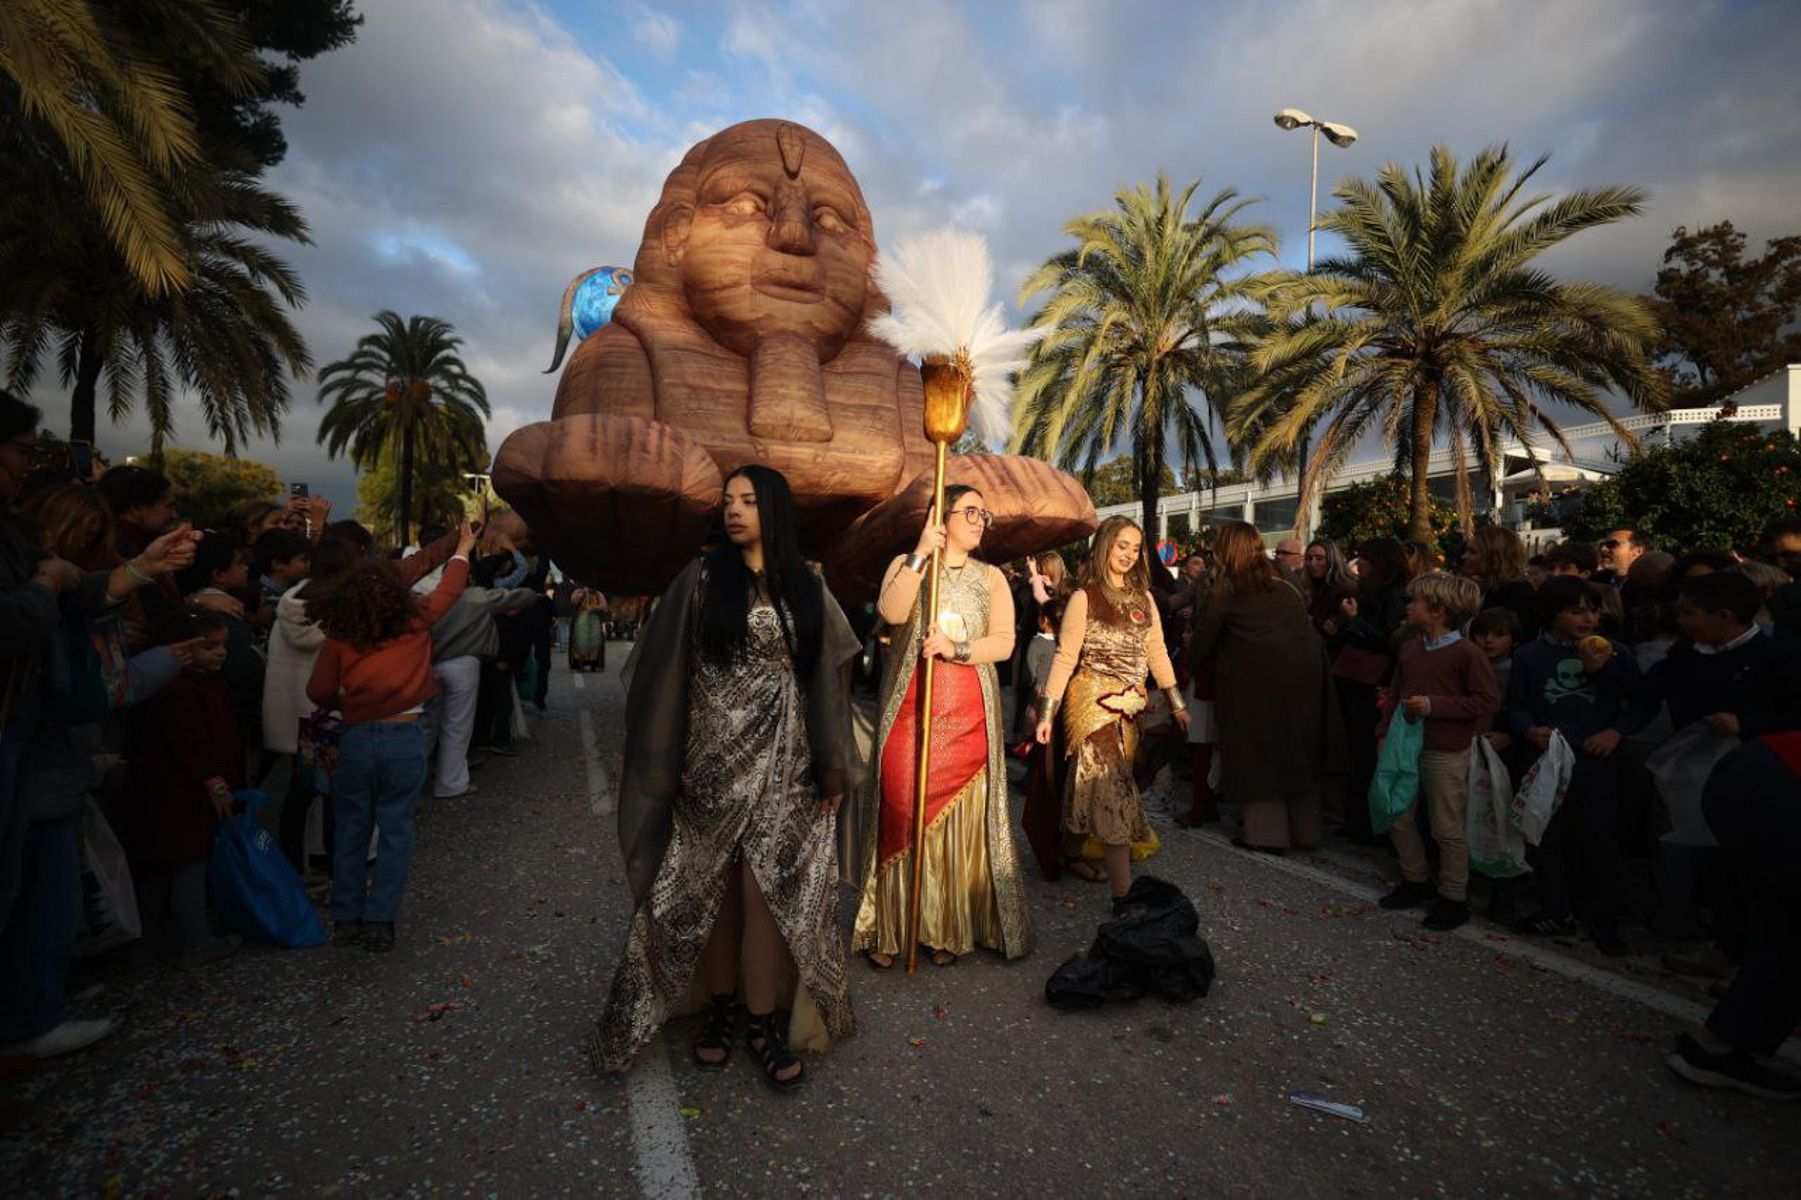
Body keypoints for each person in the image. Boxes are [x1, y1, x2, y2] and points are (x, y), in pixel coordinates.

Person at [593, 465, 859, 1088]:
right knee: (706, 891)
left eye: (748, 500)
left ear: (775, 510)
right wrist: (669, 760)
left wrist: (832, 765)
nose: (733, 510)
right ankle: (719, 1011)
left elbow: (827, 685)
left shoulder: (807, 586)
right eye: (728, 501)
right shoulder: (701, 580)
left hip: (789, 767)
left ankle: (760, 1023)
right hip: (711, 765)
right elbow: (665, 678)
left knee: (766, 896)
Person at [854, 484, 1030, 968]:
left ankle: (942, 928)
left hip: (969, 716)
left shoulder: (991, 577)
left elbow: (1004, 643)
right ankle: (889, 927)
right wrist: (919, 554)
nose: (980, 521)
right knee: (900, 806)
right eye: (970, 511)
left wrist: (957, 649)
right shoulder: (907, 564)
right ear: (941, 515)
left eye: (984, 514)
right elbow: (890, 614)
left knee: (955, 822)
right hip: (909, 711)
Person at [304, 521, 477, 951]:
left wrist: (354, 704)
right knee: (395, 829)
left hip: (357, 738)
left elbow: (319, 692)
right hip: (405, 737)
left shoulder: (340, 635)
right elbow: (450, 589)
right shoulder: (416, 622)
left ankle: (346, 916)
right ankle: (381, 920)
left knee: (351, 828)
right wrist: (464, 548)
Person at [1037, 516, 1188, 907]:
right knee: (1112, 789)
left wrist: (1177, 703)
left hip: (1132, 708)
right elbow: (1065, 657)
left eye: (1135, 548)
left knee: (1093, 785)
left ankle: (1070, 852)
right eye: (1122, 545)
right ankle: (1125, 900)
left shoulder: (1145, 599)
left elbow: (1157, 653)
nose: (1128, 554)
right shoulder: (1083, 598)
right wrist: (1045, 714)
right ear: (1105, 545)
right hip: (1089, 704)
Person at [1504, 577, 1650, 955]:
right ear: (1552, 614)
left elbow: (1640, 704)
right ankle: (1557, 909)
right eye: (1576, 611)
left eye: (1593, 609)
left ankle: (1604, 919)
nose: (1588, 619)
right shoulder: (1529, 656)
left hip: (1595, 763)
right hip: (1547, 762)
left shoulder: (1615, 653)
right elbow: (1517, 704)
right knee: (1548, 838)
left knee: (1599, 839)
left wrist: (1614, 733)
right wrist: (1529, 729)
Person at [1190, 521, 1343, 853]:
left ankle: (1267, 836)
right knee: (1298, 750)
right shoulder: (1281, 573)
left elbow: (1203, 640)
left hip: (1257, 680)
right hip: (1307, 673)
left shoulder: (1229, 586)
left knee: (1258, 754)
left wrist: (1182, 667)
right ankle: (1306, 832)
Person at [1664, 734, 1801, 1101]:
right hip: (1776, 786)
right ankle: (1716, 1046)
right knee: (1788, 936)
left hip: (1748, 768)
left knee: (1779, 925)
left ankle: (1733, 1024)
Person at [118, 607, 244, 966]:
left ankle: (146, 941)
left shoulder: (179, 684)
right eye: (210, 646)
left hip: (160, 790)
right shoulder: (179, 689)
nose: (220, 652)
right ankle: (196, 940)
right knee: (189, 862)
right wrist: (216, 784)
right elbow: (194, 743)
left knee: (159, 865)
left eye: (222, 645)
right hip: (181, 792)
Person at [1376, 573, 1500, 931]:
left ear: (1438, 609)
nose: (1409, 606)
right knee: (1397, 815)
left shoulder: (1467, 653)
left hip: (1445, 750)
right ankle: (1415, 879)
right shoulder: (1410, 648)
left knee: (1446, 826)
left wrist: (1435, 706)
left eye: (1415, 601)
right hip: (1405, 745)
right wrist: (1383, 732)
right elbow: (1396, 694)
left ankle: (1453, 896)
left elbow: (1487, 700)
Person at [1327, 537, 1412, 839]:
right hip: (1354, 680)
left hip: (1374, 684)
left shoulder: (1396, 595)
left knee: (1368, 754)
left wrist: (1353, 622)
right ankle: (1358, 820)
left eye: (1364, 557)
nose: (1358, 562)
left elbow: (1389, 640)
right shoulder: (1366, 590)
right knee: (1358, 753)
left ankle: (1370, 823)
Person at [1461, 525, 1541, 641]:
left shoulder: (1518, 595)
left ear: (1494, 557)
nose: (1465, 556)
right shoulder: (1491, 589)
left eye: (1473, 552)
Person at [568, 587, 608, 671]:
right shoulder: (579, 591)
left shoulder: (598, 593)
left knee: (594, 642)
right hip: (581, 620)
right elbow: (573, 601)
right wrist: (581, 593)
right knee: (581, 642)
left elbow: (604, 605)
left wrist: (595, 608)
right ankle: (580, 663)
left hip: (594, 621)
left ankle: (593, 664)